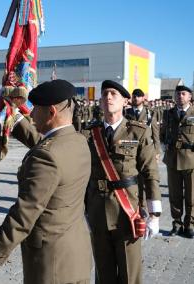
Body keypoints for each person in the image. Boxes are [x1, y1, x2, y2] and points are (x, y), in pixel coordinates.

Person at [0, 79, 93, 284]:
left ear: (51, 112)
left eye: (35, 108)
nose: (32, 113)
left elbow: (24, 215)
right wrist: (14, 116)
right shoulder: (78, 141)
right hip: (75, 255)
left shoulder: (47, 156)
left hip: (51, 264)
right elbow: (46, 144)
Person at [85, 80, 162, 283]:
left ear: (125, 101)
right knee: (103, 274)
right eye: (104, 95)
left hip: (127, 212)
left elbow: (150, 172)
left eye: (113, 94)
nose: (108, 97)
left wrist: (154, 214)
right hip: (97, 211)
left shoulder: (137, 131)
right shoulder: (90, 133)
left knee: (130, 274)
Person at [163, 85, 194, 238]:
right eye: (177, 94)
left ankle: (190, 224)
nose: (179, 96)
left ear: (190, 96)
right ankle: (176, 223)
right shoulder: (168, 114)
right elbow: (163, 133)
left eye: (183, 94)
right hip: (173, 159)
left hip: (191, 159)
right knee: (174, 195)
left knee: (191, 195)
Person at [125, 88, 161, 212]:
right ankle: (138, 207)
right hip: (130, 149)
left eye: (138, 96)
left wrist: (157, 151)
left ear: (143, 98)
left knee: (148, 179)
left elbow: (155, 133)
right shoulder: (126, 112)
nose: (135, 98)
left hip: (146, 150)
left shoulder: (150, 113)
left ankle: (146, 207)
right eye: (134, 96)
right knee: (134, 179)